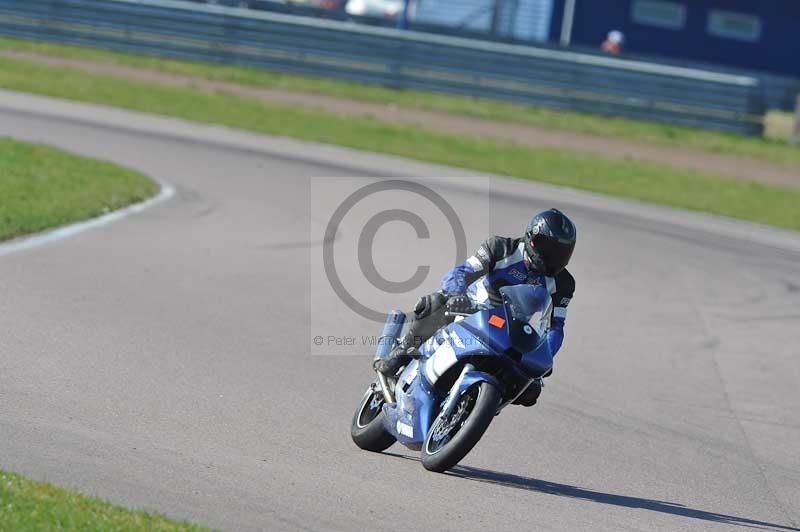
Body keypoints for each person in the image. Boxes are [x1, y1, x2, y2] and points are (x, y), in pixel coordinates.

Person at [374, 208, 577, 406]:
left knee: (530, 389)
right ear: (531, 238)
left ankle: (475, 406)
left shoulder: (564, 284)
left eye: (561, 252)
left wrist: (545, 355)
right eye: (548, 248)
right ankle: (400, 355)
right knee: (436, 303)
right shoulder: (500, 248)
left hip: (509, 331)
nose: (553, 257)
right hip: (472, 309)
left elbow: (554, 327)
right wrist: (456, 295)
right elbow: (462, 271)